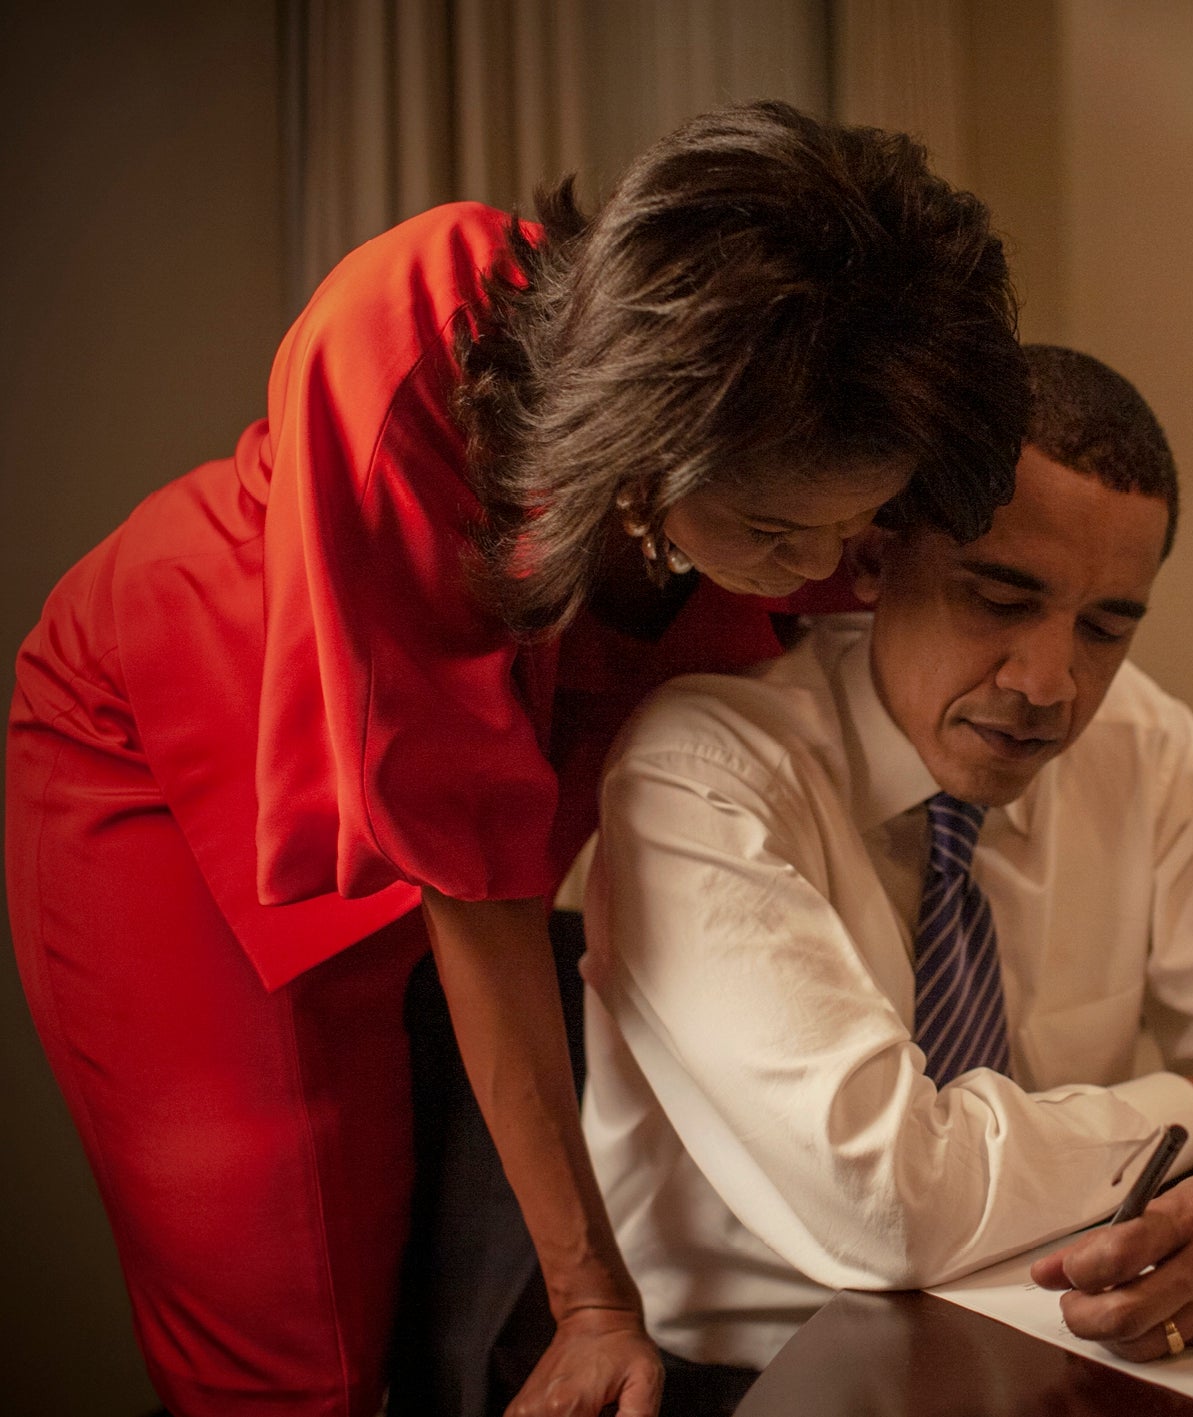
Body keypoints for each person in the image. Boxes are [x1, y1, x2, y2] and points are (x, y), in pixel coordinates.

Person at [6, 101, 1027, 1417]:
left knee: (460, 1288)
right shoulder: (411, 341)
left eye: (859, 524)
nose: (834, 570)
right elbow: (472, 876)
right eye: (781, 534)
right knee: (299, 1327)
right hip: (188, 752)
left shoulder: (867, 417)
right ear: (645, 459)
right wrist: (594, 1295)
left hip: (492, 821)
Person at [582, 345, 1193, 1407]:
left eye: (1105, 627)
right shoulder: (703, 771)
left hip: (1070, 1348)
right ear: (873, 557)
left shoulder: (1138, 744)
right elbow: (889, 1201)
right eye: (996, 598)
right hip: (766, 1379)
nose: (1048, 683)